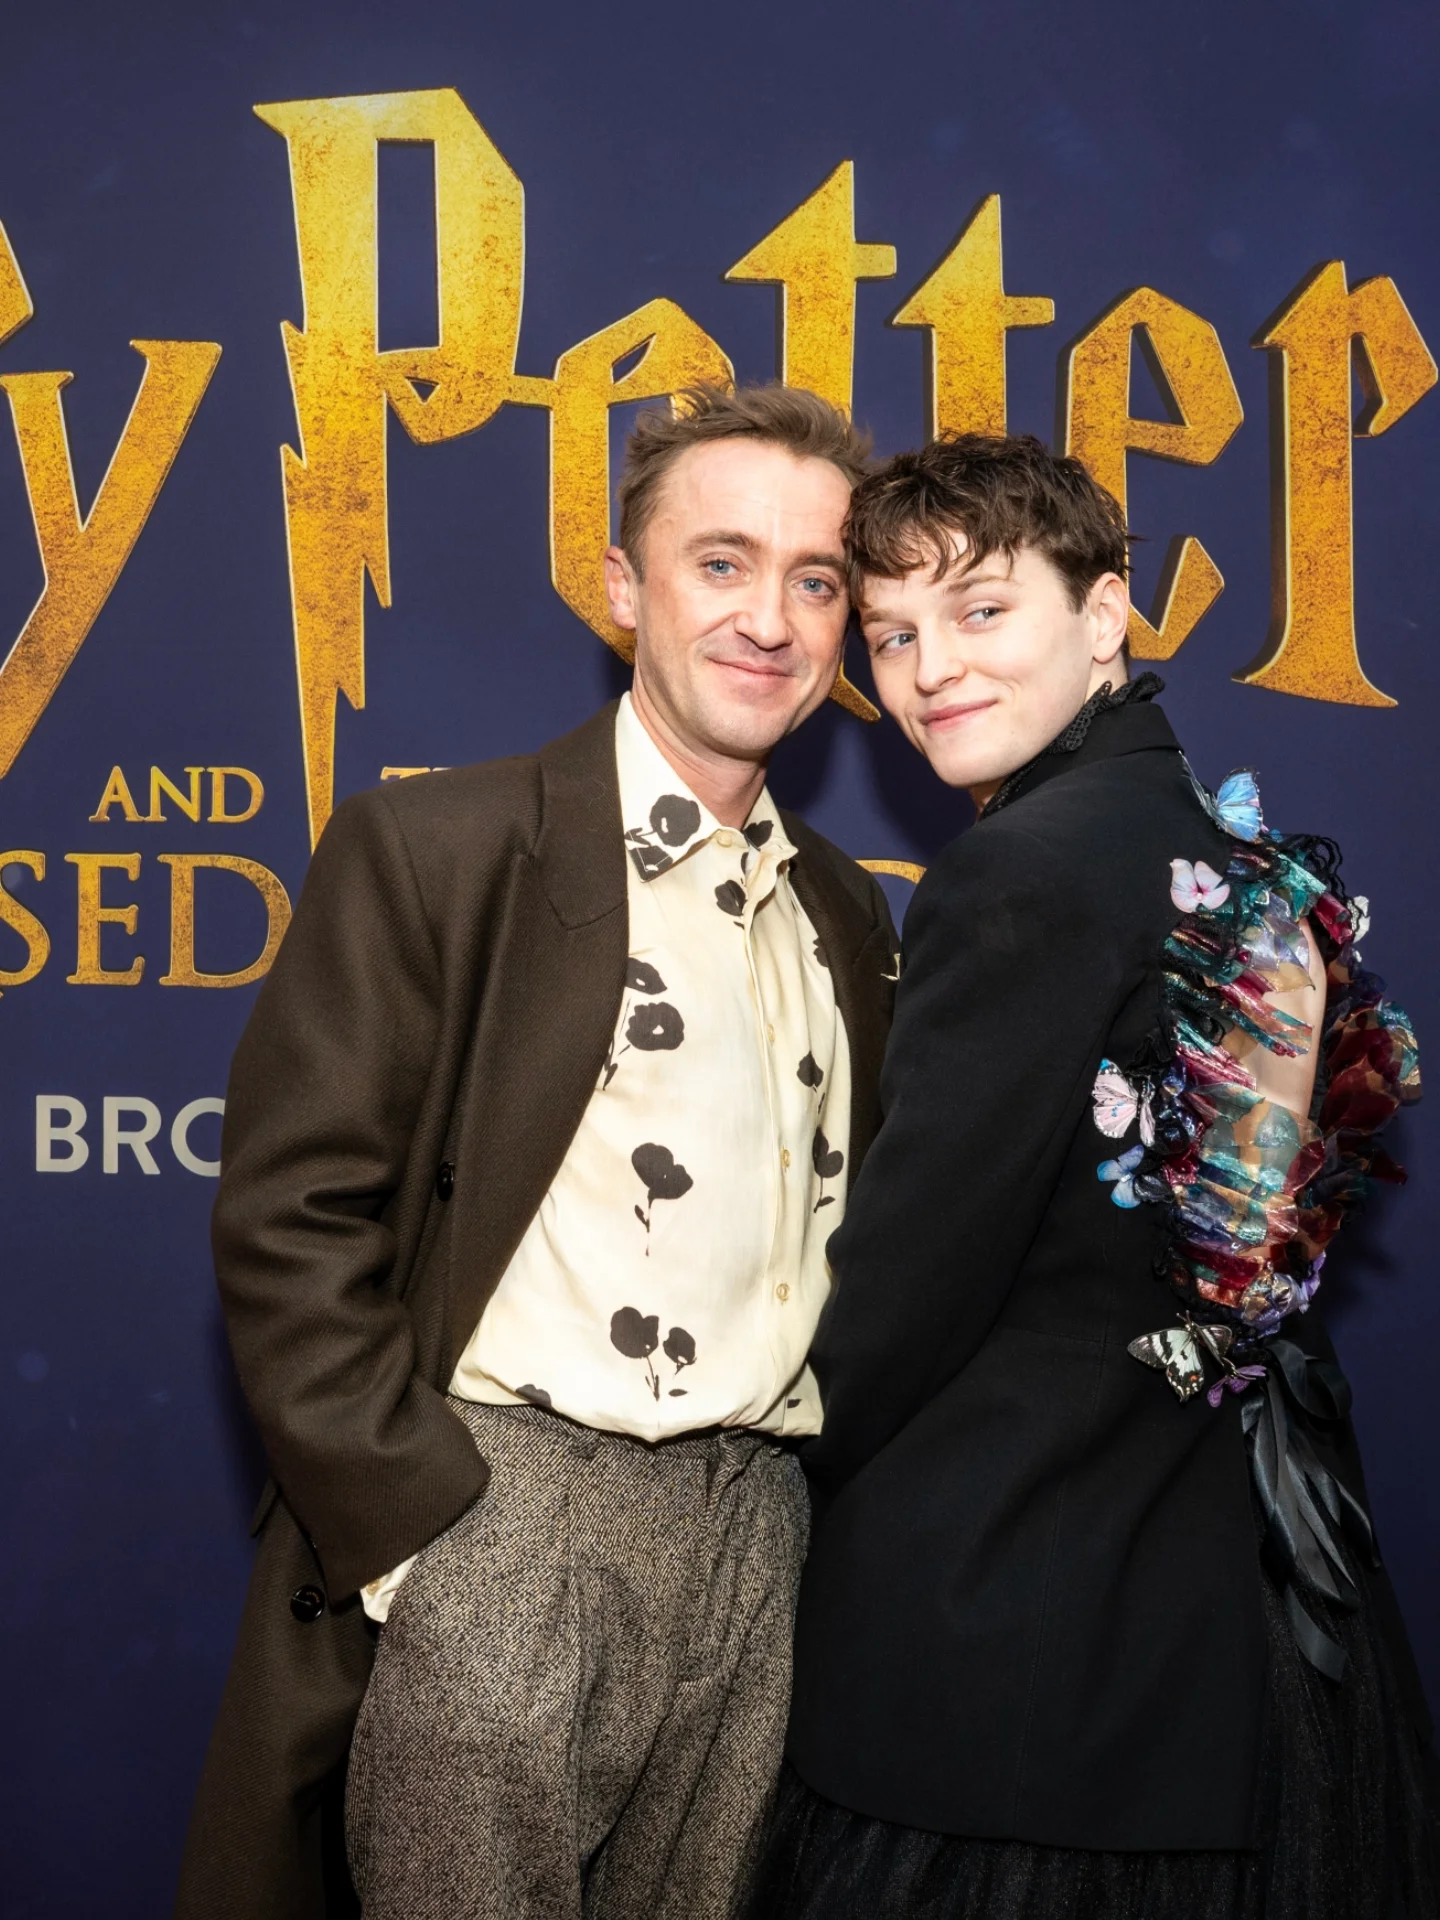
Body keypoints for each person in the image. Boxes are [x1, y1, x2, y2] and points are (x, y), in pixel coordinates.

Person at [175, 383, 899, 1920]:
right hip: (504, 1511)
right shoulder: (443, 851)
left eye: (816, 580)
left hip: (762, 1535)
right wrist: (429, 1534)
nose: (769, 619)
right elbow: (292, 1216)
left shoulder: (844, 911)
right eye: (721, 563)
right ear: (625, 585)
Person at [754, 433, 1439, 1918]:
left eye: (981, 610)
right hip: (1244, 1603)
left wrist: (778, 1457)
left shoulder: (1022, 870)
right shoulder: (1240, 858)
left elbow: (913, 1279)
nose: (930, 670)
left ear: (1105, 609)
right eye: (892, 634)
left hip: (1023, 1608)